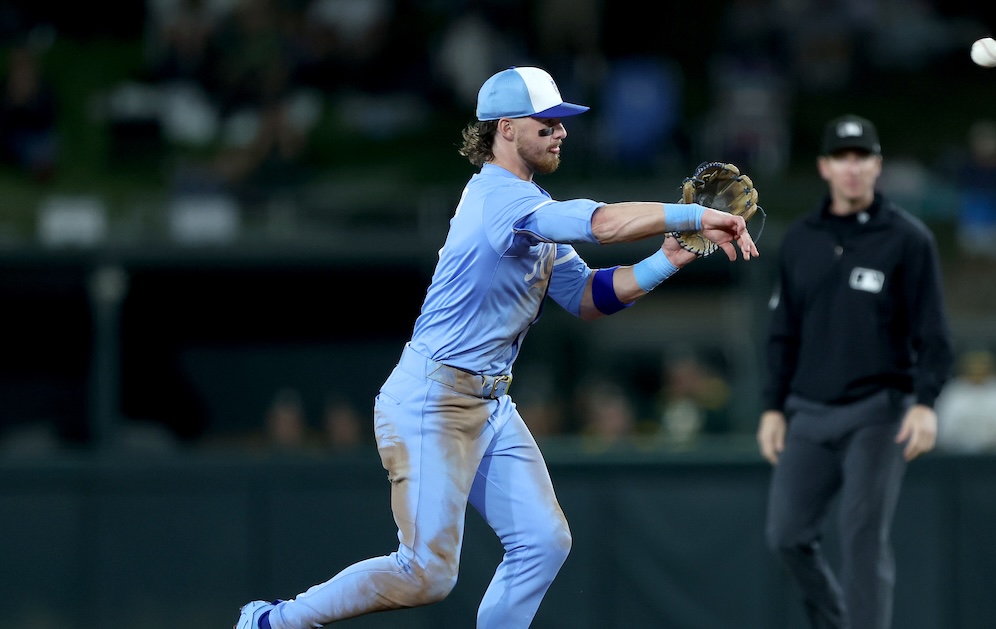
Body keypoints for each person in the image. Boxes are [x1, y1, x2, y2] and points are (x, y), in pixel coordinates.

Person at [235, 65, 759, 629]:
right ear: (505, 128)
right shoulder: (494, 199)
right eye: (548, 122)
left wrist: (667, 259)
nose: (561, 131)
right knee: (426, 575)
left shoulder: (531, 205)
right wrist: (696, 215)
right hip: (431, 399)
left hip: (488, 404)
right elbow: (602, 225)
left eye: (563, 122)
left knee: (544, 541)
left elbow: (588, 296)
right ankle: (273, 623)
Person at [756, 114, 953, 629]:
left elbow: (934, 336)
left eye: (861, 157)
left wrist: (927, 403)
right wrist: (773, 407)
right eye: (841, 157)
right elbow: (782, 332)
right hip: (808, 411)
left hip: (878, 410)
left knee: (862, 534)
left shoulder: (908, 240)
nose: (852, 167)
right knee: (786, 535)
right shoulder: (800, 239)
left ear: (877, 166)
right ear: (824, 166)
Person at [935, 349, 996, 454]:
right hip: (957, 459)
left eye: (983, 365)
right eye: (974, 365)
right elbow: (942, 434)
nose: (978, 369)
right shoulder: (951, 393)